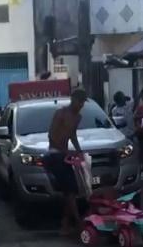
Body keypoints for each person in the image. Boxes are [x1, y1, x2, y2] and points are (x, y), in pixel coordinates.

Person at [44, 89, 88, 236]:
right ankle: (77, 222)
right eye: (79, 101)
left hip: (66, 156)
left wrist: (79, 151)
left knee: (72, 191)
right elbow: (52, 135)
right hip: (55, 155)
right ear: (73, 99)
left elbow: (73, 135)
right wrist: (65, 151)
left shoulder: (78, 117)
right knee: (70, 191)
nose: (81, 105)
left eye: (83, 102)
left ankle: (66, 223)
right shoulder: (60, 114)